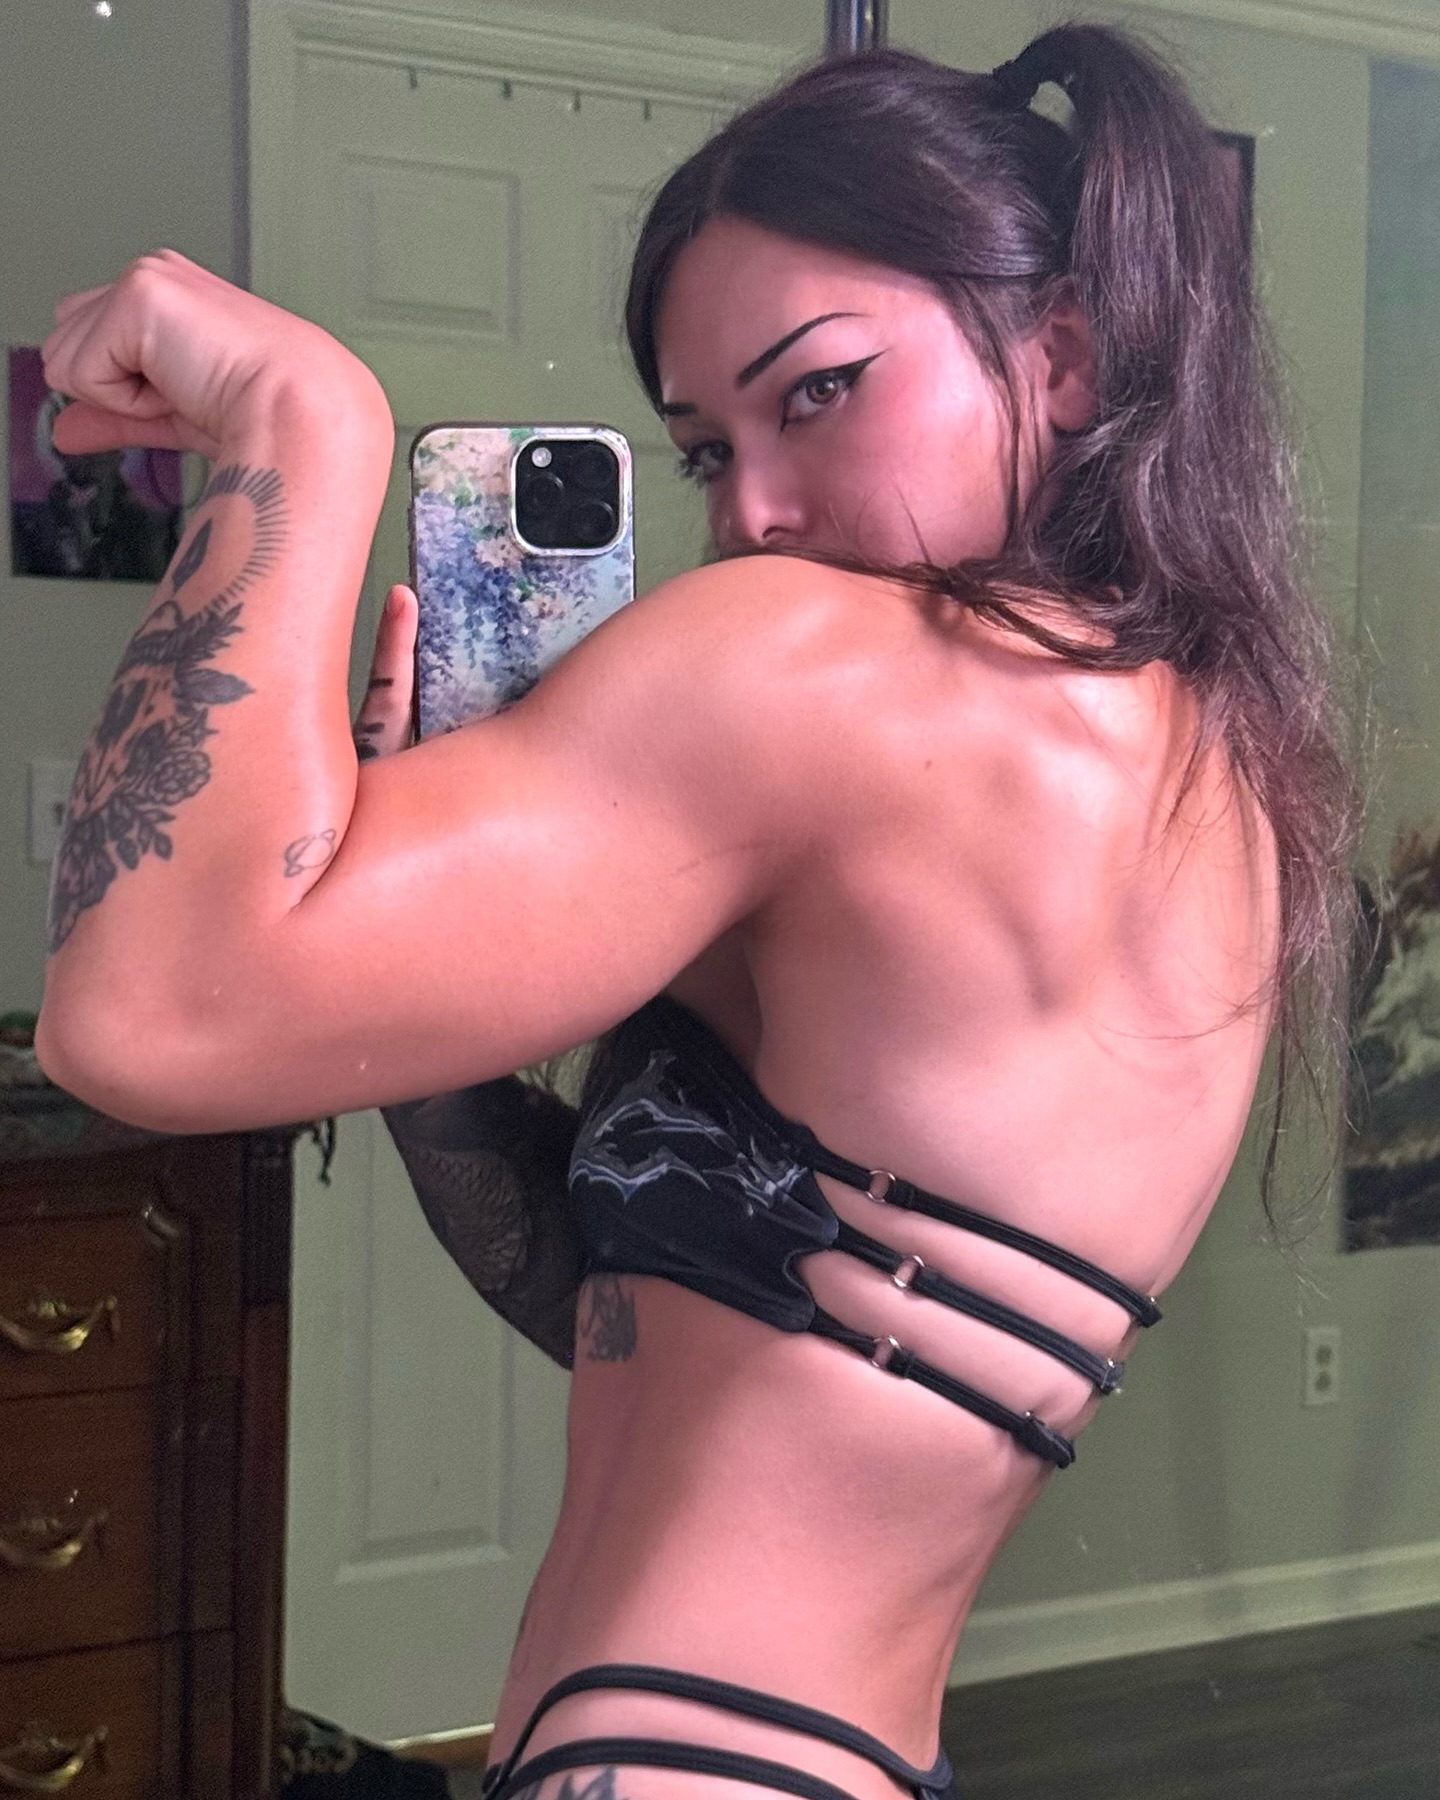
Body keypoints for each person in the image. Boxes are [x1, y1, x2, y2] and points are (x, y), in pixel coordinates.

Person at [36, 24, 1357, 1800]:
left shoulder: (819, 664)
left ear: (1059, 355)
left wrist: (303, 423)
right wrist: (427, 1002)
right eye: (704, 452)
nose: (757, 516)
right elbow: (671, 1326)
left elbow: (135, 1011)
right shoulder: (1215, 776)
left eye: (817, 392)